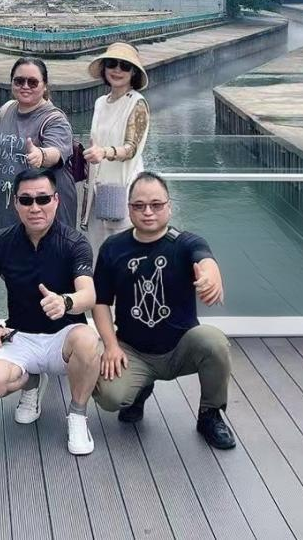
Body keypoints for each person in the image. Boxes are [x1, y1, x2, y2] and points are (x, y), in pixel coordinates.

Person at [92, 171, 235, 450]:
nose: (148, 212)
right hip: (133, 350)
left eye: (156, 205)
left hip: (180, 348)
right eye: (139, 206)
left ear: (169, 206)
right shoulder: (113, 248)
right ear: (129, 208)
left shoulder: (185, 243)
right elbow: (100, 302)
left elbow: (205, 260)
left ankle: (210, 413)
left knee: (214, 342)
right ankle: (139, 392)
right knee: (109, 396)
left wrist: (211, 278)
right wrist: (110, 346)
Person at [0, 169, 100, 456]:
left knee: (87, 340)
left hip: (63, 338)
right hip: (21, 336)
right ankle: (31, 383)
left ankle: (77, 415)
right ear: (15, 203)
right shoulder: (1, 241)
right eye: (26, 200)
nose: (35, 207)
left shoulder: (74, 242)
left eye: (43, 199)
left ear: (56, 200)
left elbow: (89, 295)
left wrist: (65, 302)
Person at [0, 57, 75, 234]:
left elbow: (56, 152)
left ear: (45, 85)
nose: (25, 86)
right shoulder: (7, 110)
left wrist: (41, 155)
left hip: (42, 214)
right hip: (8, 211)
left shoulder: (55, 119)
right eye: (19, 81)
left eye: (32, 82)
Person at [81, 42, 151, 253]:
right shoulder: (100, 102)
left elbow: (131, 148)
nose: (117, 70)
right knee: (96, 251)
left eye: (125, 66)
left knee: (122, 252)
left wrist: (104, 152)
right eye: (112, 63)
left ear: (133, 72)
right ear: (104, 68)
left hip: (122, 188)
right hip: (97, 188)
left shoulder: (137, 103)